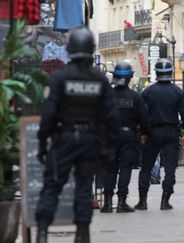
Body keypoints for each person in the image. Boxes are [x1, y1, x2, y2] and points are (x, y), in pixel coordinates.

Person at [35, 27, 121, 243]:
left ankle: (43, 232)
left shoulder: (60, 77)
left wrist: (42, 143)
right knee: (83, 187)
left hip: (64, 138)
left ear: (69, 48)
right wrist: (111, 146)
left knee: (52, 185)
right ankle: (82, 234)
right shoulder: (99, 79)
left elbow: (48, 114)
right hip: (90, 140)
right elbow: (111, 116)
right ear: (91, 50)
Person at [135, 58, 184, 210]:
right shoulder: (177, 92)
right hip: (172, 131)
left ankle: (143, 200)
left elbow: (141, 114)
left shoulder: (148, 92)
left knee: (146, 166)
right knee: (170, 167)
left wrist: (143, 131)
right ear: (170, 72)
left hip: (153, 131)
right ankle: (165, 200)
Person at [100, 61, 148, 213]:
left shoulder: (107, 96)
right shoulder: (136, 97)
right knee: (125, 169)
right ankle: (121, 202)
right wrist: (145, 133)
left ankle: (107, 202)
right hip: (128, 136)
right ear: (130, 78)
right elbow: (144, 119)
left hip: (110, 135)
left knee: (110, 168)